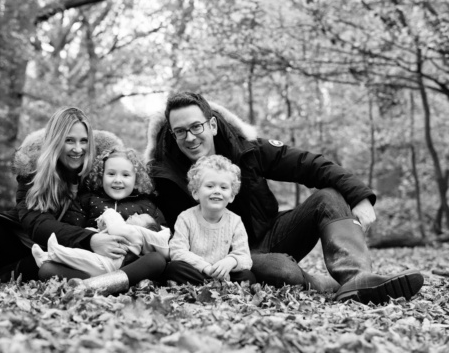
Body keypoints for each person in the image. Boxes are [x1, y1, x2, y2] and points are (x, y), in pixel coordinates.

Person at [145, 91, 424, 304]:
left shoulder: (248, 150)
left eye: (196, 127)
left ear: (213, 125)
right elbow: (146, 214)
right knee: (283, 271)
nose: (190, 137)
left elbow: (309, 164)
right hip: (228, 259)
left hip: (270, 233)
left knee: (328, 196)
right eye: (180, 131)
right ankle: (326, 285)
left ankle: (357, 277)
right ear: (172, 134)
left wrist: (360, 196)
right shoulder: (163, 175)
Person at [0, 107, 130, 294]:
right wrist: (89, 239)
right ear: (56, 141)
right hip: (25, 237)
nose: (78, 148)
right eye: (69, 140)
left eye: (83, 141)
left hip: (63, 250)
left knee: (38, 265)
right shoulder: (32, 173)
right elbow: (37, 223)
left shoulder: (98, 176)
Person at [32, 146, 169, 294]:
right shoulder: (87, 200)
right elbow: (73, 232)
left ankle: (92, 286)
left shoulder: (147, 206)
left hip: (129, 268)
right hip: (92, 262)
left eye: (125, 175)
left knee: (157, 260)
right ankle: (101, 285)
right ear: (101, 176)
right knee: (46, 269)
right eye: (111, 174)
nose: (117, 180)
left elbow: (159, 238)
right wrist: (94, 239)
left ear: (136, 179)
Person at [166, 155, 255, 285]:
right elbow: (177, 251)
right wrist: (205, 267)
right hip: (197, 270)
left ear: (231, 196)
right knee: (173, 269)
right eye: (210, 186)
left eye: (223, 187)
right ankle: (212, 284)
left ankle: (218, 283)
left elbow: (246, 258)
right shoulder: (186, 218)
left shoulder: (235, 221)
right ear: (196, 192)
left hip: (224, 272)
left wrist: (231, 261)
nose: (217, 191)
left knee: (248, 276)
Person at [32, 209, 169, 277]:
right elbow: (99, 233)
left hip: (109, 264)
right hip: (103, 260)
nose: (134, 214)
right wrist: (95, 231)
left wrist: (109, 212)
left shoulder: (136, 233)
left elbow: (117, 227)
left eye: (140, 216)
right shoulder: (128, 231)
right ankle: (46, 257)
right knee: (77, 257)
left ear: (147, 229)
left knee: (78, 256)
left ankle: (54, 252)